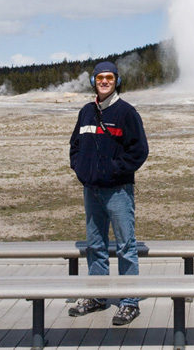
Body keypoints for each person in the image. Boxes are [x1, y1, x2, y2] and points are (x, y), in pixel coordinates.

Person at [68, 61, 149, 325]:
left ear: (116, 81)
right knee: (96, 245)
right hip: (91, 190)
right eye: (100, 78)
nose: (104, 81)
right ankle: (98, 296)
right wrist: (82, 169)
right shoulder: (86, 112)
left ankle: (129, 301)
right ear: (94, 81)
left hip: (118, 191)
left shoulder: (127, 113)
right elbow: (75, 145)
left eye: (109, 78)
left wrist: (113, 171)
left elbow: (139, 151)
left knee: (126, 246)